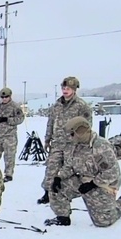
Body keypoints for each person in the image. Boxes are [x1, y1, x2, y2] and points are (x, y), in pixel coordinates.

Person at [44, 116, 121, 227]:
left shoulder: (101, 147)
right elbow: (70, 166)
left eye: (72, 134)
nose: (70, 138)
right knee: (56, 188)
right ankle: (62, 217)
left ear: (80, 132)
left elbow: (112, 172)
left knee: (103, 221)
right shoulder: (74, 146)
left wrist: (92, 184)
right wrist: (59, 177)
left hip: (102, 184)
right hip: (81, 180)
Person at [39, 76, 92, 204]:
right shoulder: (57, 105)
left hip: (72, 144)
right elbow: (50, 122)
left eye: (68, 88)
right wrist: (47, 139)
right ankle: (48, 193)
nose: (65, 90)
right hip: (57, 143)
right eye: (63, 88)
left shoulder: (82, 106)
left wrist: (82, 143)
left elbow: (86, 127)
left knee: (70, 170)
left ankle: (66, 192)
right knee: (51, 168)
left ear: (74, 90)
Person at [0, 87, 25, 182]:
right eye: (2, 97)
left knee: (9, 156)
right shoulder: (0, 107)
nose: (4, 98)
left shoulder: (15, 107)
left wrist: (7, 119)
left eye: (6, 97)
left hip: (10, 136)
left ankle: (8, 174)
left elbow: (20, 119)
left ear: (10, 96)